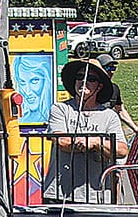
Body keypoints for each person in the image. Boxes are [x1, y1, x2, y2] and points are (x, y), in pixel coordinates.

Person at [45, 57, 127, 203]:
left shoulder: (109, 116)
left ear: (99, 86)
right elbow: (61, 141)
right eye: (79, 77)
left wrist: (96, 143)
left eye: (91, 78)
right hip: (58, 194)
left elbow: (121, 150)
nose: (83, 81)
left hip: (98, 196)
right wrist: (85, 144)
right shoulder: (60, 109)